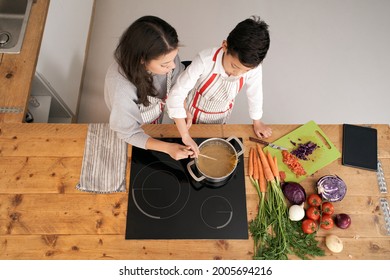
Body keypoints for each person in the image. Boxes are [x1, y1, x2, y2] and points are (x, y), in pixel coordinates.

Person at [166, 16, 272, 157]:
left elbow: (255, 93)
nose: (237, 74)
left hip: (220, 117)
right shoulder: (205, 60)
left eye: (245, 71)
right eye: (234, 66)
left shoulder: (254, 68)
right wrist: (185, 135)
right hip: (191, 116)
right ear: (225, 45)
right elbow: (175, 96)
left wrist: (257, 121)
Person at [104, 15, 193, 160]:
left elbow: (177, 85)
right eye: (165, 65)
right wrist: (168, 148)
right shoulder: (120, 87)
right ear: (142, 59)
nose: (173, 66)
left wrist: (182, 108)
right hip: (137, 117)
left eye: (174, 59)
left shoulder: (166, 53)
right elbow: (129, 132)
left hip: (157, 110)